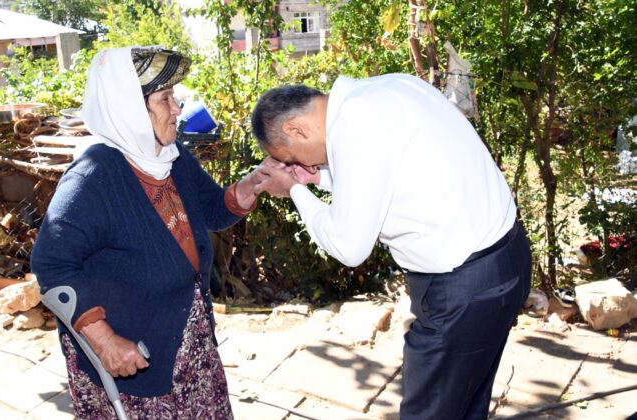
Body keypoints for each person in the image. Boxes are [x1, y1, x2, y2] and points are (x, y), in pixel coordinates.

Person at [252, 74, 532, 419]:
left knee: (429, 412)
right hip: (503, 262)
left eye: (292, 159)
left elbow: (348, 246)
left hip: (464, 290)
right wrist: (319, 178)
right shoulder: (386, 89)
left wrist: (295, 190)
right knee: (464, 405)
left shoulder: (353, 125)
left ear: (296, 129)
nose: (303, 166)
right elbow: (387, 179)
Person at [31, 46, 268, 419]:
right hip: (133, 362)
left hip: (188, 344)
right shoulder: (93, 178)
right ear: (129, 107)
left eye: (174, 97)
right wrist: (104, 340)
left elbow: (214, 210)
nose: (177, 108)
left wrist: (260, 180)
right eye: (165, 98)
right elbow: (51, 263)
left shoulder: (170, 156)